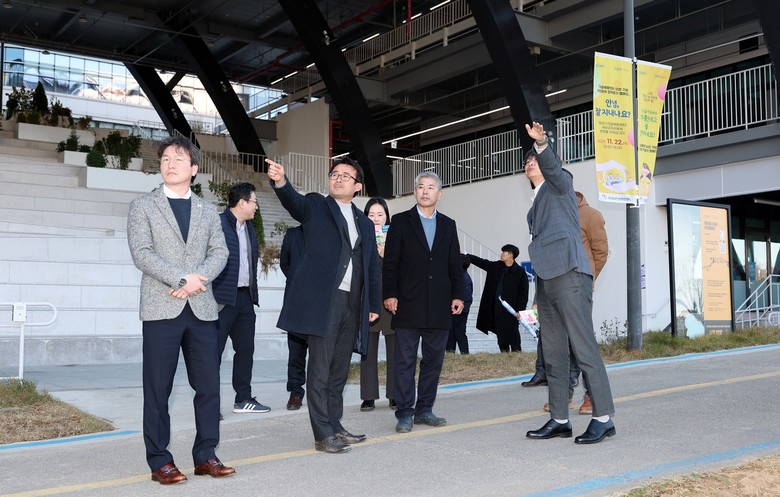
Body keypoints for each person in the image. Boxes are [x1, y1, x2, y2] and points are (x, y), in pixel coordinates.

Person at [127, 135, 235, 484]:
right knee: (158, 389)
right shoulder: (143, 206)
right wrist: (181, 278)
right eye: (165, 160)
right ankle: (160, 461)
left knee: (209, 387)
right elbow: (142, 253)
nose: (170, 164)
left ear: (194, 168)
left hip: (201, 308)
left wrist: (195, 281)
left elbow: (220, 251)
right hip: (162, 307)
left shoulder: (208, 210)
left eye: (178, 159)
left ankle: (206, 455)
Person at [265, 156, 381, 454]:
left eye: (345, 176)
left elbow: (372, 266)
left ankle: (335, 424)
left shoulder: (365, 223)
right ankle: (322, 434)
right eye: (334, 174)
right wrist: (281, 181)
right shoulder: (317, 206)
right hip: (325, 302)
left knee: (339, 369)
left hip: (353, 302)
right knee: (319, 369)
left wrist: (373, 303)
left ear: (357, 186)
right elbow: (295, 203)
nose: (338, 179)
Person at [522, 121, 616, 445]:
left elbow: (553, 167)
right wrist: (538, 295)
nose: (530, 162)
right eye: (527, 160)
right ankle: (560, 418)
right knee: (553, 352)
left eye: (534, 159)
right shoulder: (535, 203)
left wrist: (542, 145)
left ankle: (603, 418)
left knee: (583, 347)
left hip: (570, 274)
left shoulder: (560, 185)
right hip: (547, 281)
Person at [383, 171, 464, 434]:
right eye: (420, 187)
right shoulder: (400, 221)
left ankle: (425, 409)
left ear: (439, 194)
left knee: (433, 362)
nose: (425, 191)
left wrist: (458, 295)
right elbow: (390, 262)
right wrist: (390, 293)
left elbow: (454, 264)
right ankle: (405, 412)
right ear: (414, 191)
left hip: (440, 305)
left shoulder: (448, 225)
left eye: (430, 187)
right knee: (404, 362)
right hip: (407, 303)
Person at [531, 190, 609, 416]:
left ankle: (592, 396)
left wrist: (586, 278)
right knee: (557, 346)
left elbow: (600, 252)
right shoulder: (548, 218)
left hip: (576, 286)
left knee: (581, 343)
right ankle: (563, 396)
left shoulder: (591, 215)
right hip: (552, 289)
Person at [212, 182, 271, 415]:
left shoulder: (249, 229)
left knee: (246, 349)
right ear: (242, 202)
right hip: (221, 299)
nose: (256, 207)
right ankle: (210, 405)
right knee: (212, 353)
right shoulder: (217, 224)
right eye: (254, 201)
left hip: (245, 298)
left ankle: (243, 399)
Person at [360, 197, 397, 411]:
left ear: (386, 217)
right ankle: (368, 396)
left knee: (395, 348)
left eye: (380, 215)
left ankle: (394, 394)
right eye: (371, 215)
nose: (376, 219)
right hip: (369, 299)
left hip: (391, 298)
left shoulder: (395, 238)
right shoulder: (360, 238)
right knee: (368, 349)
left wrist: (387, 255)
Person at [468, 245, 529, 352]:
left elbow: (523, 293)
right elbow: (482, 262)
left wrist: (520, 310)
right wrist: (467, 256)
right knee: (500, 334)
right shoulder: (496, 266)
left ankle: (517, 355)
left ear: (511, 255)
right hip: (496, 308)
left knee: (513, 334)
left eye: (504, 252)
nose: (501, 254)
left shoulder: (520, 272)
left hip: (511, 310)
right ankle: (504, 355)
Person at [279, 225, 306, 411]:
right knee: (296, 352)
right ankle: (295, 392)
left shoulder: (327, 232)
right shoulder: (293, 234)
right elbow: (284, 263)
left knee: (321, 354)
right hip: (296, 302)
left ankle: (320, 393)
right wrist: (298, 280)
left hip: (321, 302)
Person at [447, 254, 473, 354]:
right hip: (457, 310)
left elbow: (466, 297)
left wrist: (461, 308)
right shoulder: (462, 276)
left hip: (459, 311)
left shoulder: (463, 278)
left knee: (459, 333)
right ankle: (450, 353)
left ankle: (464, 353)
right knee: (452, 333)